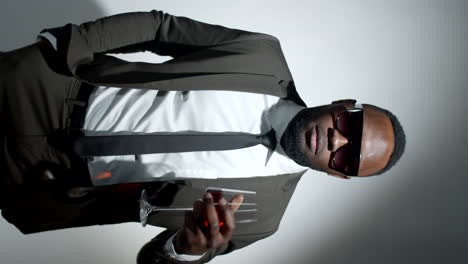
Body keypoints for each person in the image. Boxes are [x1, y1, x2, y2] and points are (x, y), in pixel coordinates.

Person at [0, 10, 406, 263]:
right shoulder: (261, 56)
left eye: (347, 159)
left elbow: (153, 260)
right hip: (44, 89)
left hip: (40, 184)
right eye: (350, 125)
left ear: (339, 175)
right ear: (342, 103)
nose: (337, 142)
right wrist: (69, 43)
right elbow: (162, 28)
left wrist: (185, 251)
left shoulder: (260, 218)